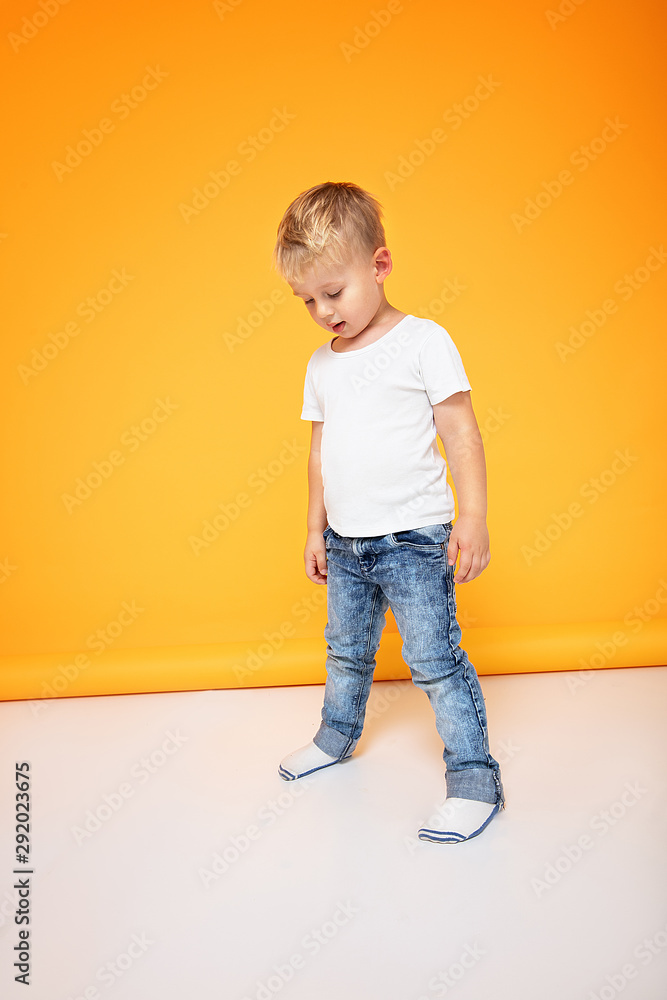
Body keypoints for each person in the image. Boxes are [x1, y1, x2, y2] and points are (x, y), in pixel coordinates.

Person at [271, 181, 505, 844]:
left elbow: (460, 430)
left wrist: (473, 516)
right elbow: (319, 452)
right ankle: (335, 736)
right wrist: (314, 528)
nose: (321, 311)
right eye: (307, 300)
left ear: (378, 265)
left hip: (411, 539)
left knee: (435, 661)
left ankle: (473, 780)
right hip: (346, 542)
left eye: (332, 292)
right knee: (345, 651)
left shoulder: (423, 341)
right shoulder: (321, 364)